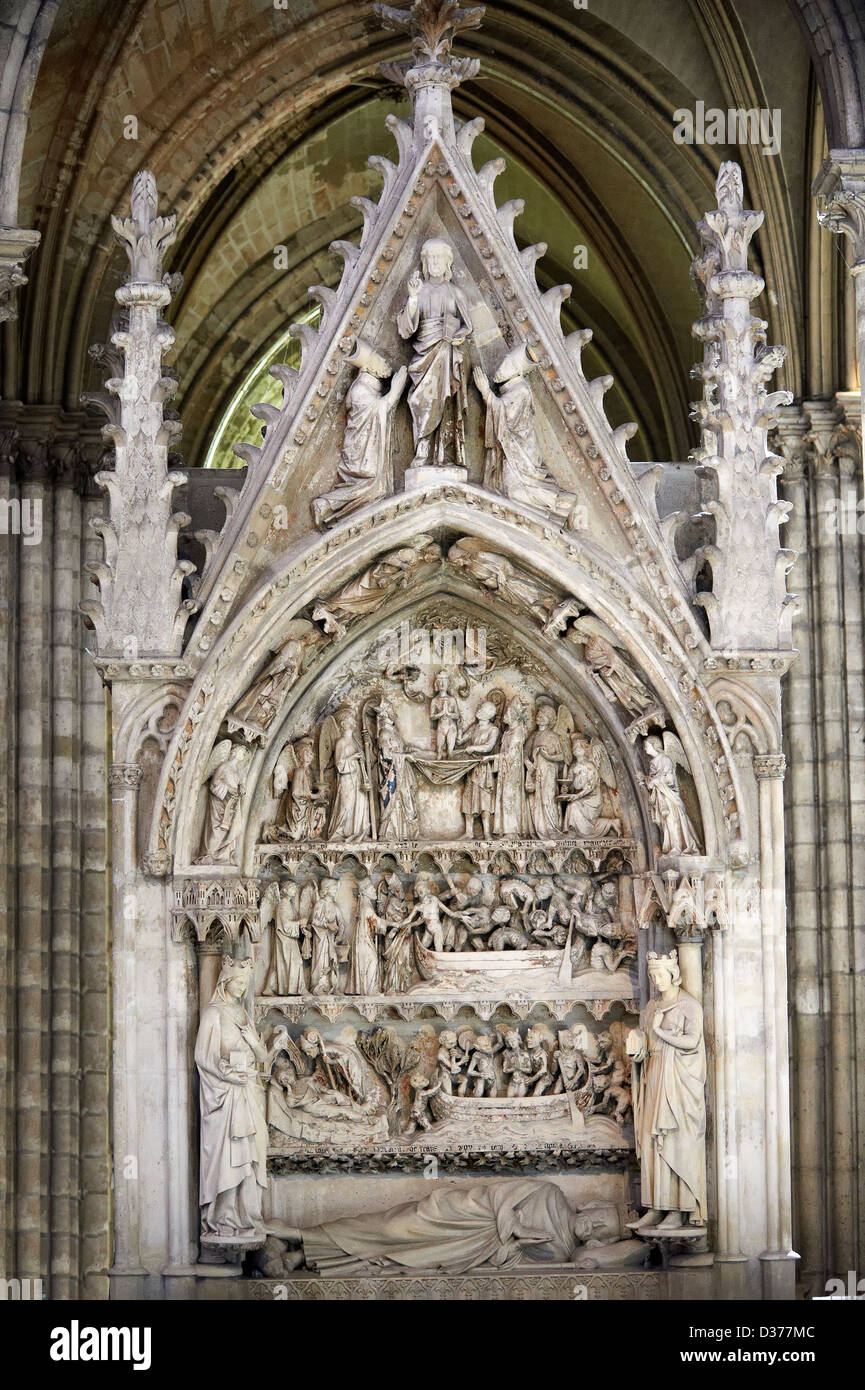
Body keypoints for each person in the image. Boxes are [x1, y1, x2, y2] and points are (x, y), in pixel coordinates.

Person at [626, 949, 706, 1230]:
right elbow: (646, 1045)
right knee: (652, 1144)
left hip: (679, 1086)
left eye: (661, 974)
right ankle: (656, 1207)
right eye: (653, 975)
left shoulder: (689, 1006)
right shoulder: (650, 1008)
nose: (656, 980)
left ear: (674, 975)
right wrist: (638, 1049)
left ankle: (679, 1209)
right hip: (655, 1078)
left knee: (675, 1142)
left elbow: (692, 1042)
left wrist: (660, 1033)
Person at [194, 957, 267, 1239]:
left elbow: (263, 1057)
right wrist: (226, 1076)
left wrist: (255, 1043)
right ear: (225, 981)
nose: (241, 988)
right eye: (238, 982)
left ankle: (246, 1216)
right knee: (228, 1158)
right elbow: (202, 1056)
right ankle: (224, 1218)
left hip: (249, 1093)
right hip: (225, 1097)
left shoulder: (243, 1014)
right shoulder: (213, 1014)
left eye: (245, 983)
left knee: (251, 1157)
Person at [312, 342, 407, 527]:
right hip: (361, 452)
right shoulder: (360, 389)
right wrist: (395, 391)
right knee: (369, 484)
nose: (386, 363)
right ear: (368, 366)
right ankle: (325, 504)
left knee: (374, 488)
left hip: (365, 447)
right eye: (380, 360)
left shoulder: (369, 388)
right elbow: (380, 409)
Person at [397, 237, 472, 467]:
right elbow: (406, 330)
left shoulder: (455, 293)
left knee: (446, 401)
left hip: (448, 356)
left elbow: (467, 325)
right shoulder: (419, 293)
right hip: (424, 357)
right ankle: (423, 448)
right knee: (423, 401)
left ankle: (445, 453)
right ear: (425, 263)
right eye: (431, 257)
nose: (435, 261)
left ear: (447, 262)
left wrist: (459, 335)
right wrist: (412, 298)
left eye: (439, 257)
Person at [458, 700, 499, 837]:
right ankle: (468, 832)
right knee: (468, 798)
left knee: (484, 799)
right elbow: (460, 741)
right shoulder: (474, 728)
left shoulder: (493, 729)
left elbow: (488, 747)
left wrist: (473, 748)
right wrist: (457, 725)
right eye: (480, 707)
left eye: (483, 709)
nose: (479, 709)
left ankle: (487, 832)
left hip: (483, 767)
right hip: (471, 767)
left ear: (489, 714)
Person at [345, 878, 385, 995]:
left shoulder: (365, 906)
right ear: (365, 891)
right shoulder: (366, 908)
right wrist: (396, 924)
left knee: (370, 961)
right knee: (372, 961)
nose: (373, 889)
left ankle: (365, 988)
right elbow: (378, 924)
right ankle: (370, 989)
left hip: (363, 940)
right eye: (371, 888)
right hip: (363, 941)